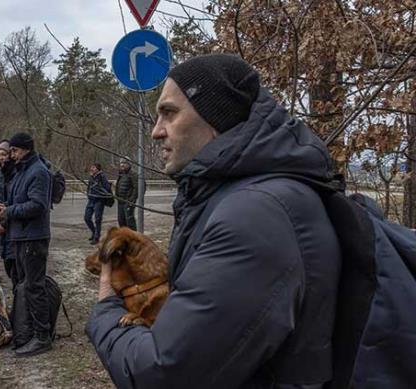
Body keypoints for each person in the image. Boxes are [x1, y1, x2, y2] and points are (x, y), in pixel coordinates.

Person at [86, 54, 341, 388]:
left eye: (169, 113)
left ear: (215, 117)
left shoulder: (255, 215)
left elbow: (164, 374)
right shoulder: (238, 197)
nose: (155, 132)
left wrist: (106, 310)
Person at [0, 132, 52, 357]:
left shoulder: (38, 171)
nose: (11, 155)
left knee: (34, 287)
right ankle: (25, 332)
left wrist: (9, 211)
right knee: (23, 286)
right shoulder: (21, 170)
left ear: (24, 149)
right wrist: (3, 213)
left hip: (33, 238)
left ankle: (42, 336)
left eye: (14, 151)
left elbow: (37, 205)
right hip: (19, 236)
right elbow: (17, 201)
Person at [0, 139, 17, 279]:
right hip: (0, 223)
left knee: (14, 267)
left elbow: (15, 202)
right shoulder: (0, 174)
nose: (2, 157)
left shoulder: (15, 174)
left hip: (12, 226)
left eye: (5, 154)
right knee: (8, 265)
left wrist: (3, 223)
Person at [84, 163, 111, 244]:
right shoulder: (91, 177)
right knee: (87, 218)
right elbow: (89, 187)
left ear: (98, 169)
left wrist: (99, 189)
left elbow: (107, 188)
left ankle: (97, 237)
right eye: (91, 167)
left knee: (97, 219)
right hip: (91, 200)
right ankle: (94, 231)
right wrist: (88, 194)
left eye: (93, 167)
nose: (92, 168)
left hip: (99, 200)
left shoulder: (102, 177)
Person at [114, 157, 138, 231]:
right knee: (121, 221)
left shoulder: (133, 174)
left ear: (128, 164)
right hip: (120, 201)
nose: (122, 165)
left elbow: (136, 188)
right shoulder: (121, 174)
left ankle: (133, 238)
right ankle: (124, 238)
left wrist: (131, 200)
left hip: (128, 202)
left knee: (129, 221)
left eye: (124, 163)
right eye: (121, 163)